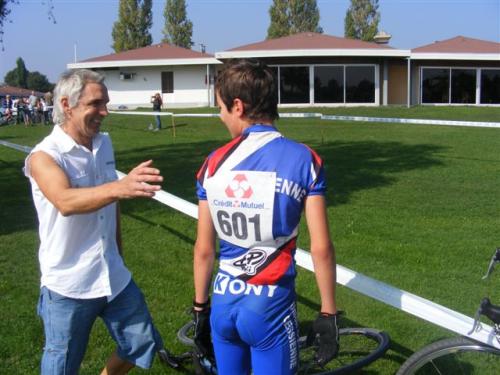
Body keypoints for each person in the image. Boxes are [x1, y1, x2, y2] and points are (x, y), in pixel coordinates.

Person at [192, 59, 339, 375]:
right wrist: (328, 313)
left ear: (238, 106)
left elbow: (204, 249)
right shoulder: (305, 160)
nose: (220, 117)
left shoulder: (211, 165)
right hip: (270, 306)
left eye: (220, 109)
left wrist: (200, 309)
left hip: (223, 302)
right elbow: (321, 248)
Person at [24, 69, 166, 374]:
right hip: (68, 284)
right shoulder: (43, 157)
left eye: (106, 103)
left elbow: (110, 204)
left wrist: (118, 252)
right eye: (96, 104)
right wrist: (121, 187)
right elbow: (64, 201)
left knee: (142, 342)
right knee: (61, 366)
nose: (105, 111)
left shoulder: (104, 144)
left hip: (113, 275)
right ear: (66, 104)